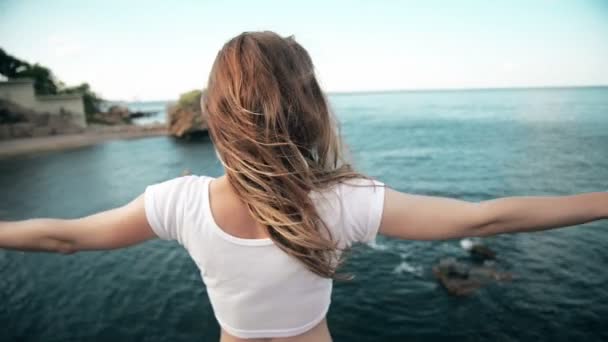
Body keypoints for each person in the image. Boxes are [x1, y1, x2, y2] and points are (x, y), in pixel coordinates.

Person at [0, 31, 606, 342]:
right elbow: (485, 220)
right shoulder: (344, 202)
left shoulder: (177, 204)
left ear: (216, 114)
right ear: (310, 111)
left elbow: (64, 237)